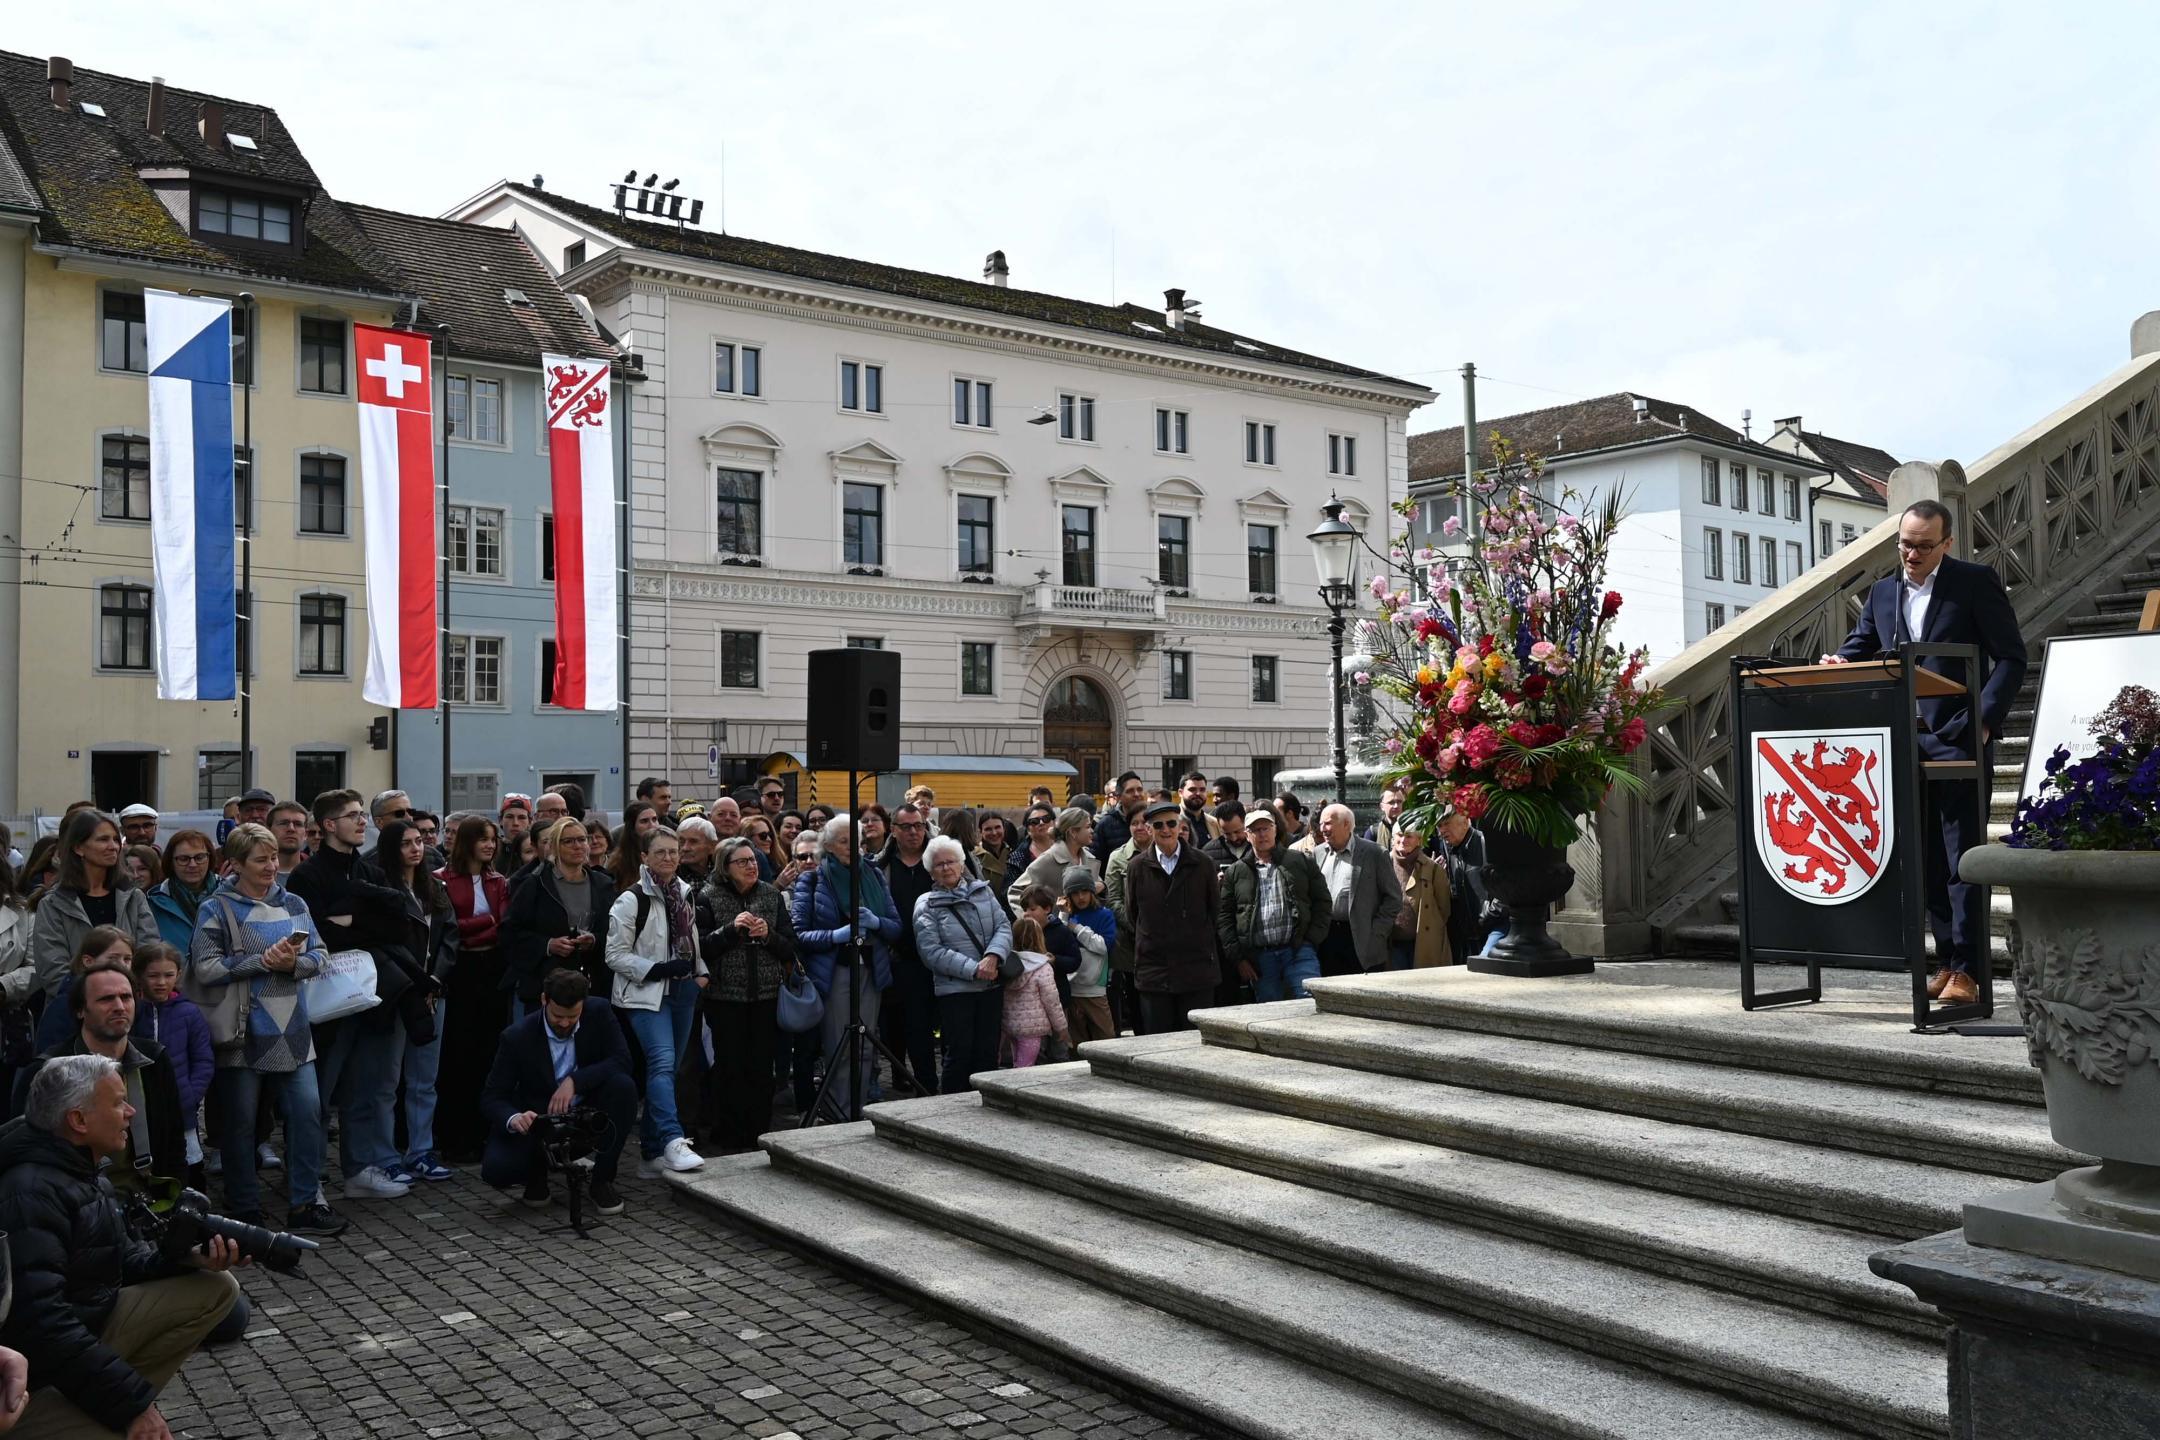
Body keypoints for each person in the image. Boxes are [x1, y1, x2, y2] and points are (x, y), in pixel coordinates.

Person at [1824, 497, 2027, 1006]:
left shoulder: (1974, 583)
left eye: (1922, 546)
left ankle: (1970, 970)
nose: (1911, 555)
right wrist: (1836, 663)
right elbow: (1861, 648)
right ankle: (1946, 961)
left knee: (1962, 858)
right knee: (1925, 859)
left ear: (1947, 543)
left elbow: (2011, 656)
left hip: (1959, 736)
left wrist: (1984, 718)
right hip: (1902, 740)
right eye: (1904, 545)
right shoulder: (1883, 593)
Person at [0, 1054, 245, 1439]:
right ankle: (71, 1419)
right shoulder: (30, 1191)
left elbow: (124, 1260)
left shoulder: (85, 1170)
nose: (130, 1112)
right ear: (78, 1121)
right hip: (34, 1374)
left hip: (83, 1332)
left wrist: (187, 1257)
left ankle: (110, 1408)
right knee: (123, 1418)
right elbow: (43, 1325)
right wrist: (132, 1406)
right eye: (117, 1103)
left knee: (215, 1287)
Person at [189, 823, 341, 1235]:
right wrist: (262, 963)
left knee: (308, 1114)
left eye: (274, 857)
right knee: (242, 1124)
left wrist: (293, 964)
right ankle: (244, 1207)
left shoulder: (293, 902)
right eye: (260, 859)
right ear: (235, 864)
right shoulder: (215, 907)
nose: (271, 866)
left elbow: (321, 955)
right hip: (241, 1032)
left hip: (292, 1029)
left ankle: (306, 1203)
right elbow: (204, 968)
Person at [288, 791, 420, 1203]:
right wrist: (362, 920)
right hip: (326, 997)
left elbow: (399, 926)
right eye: (351, 816)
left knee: (367, 1084)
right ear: (328, 825)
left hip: (372, 991)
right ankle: (308, 1183)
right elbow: (317, 935)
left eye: (362, 815)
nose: (361, 822)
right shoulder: (307, 876)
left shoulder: (370, 869)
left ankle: (359, 1169)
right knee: (318, 1096)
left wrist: (353, 916)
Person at [480, 967, 633, 1215]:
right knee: (497, 1170)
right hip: (540, 1122)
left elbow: (623, 1060)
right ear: (544, 1000)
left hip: (585, 1115)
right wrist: (515, 1118)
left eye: (573, 1016)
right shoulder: (516, 1037)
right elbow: (492, 1096)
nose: (564, 1023)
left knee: (623, 1087)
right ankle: (536, 1174)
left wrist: (575, 1081)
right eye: (557, 1015)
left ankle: (602, 1180)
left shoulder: (600, 1011)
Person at [604, 827, 707, 1176]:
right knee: (662, 1063)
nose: (668, 858)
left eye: (673, 852)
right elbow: (614, 955)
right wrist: (657, 969)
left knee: (669, 1070)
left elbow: (692, 941)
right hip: (646, 995)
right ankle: (671, 1139)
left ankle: (651, 1153)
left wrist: (699, 973)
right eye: (660, 852)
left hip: (683, 991)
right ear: (645, 857)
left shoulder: (684, 892)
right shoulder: (631, 899)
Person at [791, 815, 900, 1120]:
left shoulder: (874, 876)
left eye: (857, 841)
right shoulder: (812, 879)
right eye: (844, 841)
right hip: (836, 971)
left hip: (871, 970)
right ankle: (837, 1111)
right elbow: (799, 933)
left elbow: (896, 927)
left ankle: (857, 1106)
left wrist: (877, 923)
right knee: (840, 1045)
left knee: (865, 1045)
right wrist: (836, 937)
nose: (853, 847)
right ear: (828, 845)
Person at [697, 836, 796, 1155]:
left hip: (766, 995)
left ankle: (758, 1130)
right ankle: (728, 1132)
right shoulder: (708, 896)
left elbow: (790, 946)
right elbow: (700, 948)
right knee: (729, 1067)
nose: (751, 866)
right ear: (725, 868)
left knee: (760, 1067)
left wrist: (769, 935)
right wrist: (730, 931)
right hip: (725, 996)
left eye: (753, 860)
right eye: (742, 862)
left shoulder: (770, 894)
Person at [373, 820, 455, 1184]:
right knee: (387, 1080)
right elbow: (383, 944)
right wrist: (414, 982)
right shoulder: (380, 888)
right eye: (406, 842)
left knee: (425, 1078)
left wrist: (436, 978)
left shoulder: (434, 887)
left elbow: (450, 936)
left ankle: (420, 1150)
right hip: (398, 993)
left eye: (419, 841)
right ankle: (385, 1155)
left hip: (432, 993)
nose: (416, 848)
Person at [435, 816, 510, 1163]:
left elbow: (505, 926)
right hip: (459, 971)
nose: (489, 845)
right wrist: (486, 923)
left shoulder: (498, 881)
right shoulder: (442, 880)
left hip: (491, 969)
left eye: (493, 839)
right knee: (457, 1055)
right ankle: (454, 1136)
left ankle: (482, 1133)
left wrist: (483, 928)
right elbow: (451, 929)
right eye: (482, 839)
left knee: (486, 1053)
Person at [912, 836, 1011, 1094]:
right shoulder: (926, 904)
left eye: (951, 861)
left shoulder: (983, 891)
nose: (946, 867)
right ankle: (952, 1110)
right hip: (956, 991)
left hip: (990, 986)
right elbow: (931, 952)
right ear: (930, 870)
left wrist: (993, 957)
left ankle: (989, 1105)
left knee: (988, 1052)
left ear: (962, 863)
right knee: (959, 1053)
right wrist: (974, 968)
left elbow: (1003, 926)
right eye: (939, 864)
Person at [31, 809, 159, 1006]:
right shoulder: (53, 904)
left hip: (128, 1007)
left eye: (116, 839)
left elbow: (147, 955)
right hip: (74, 1012)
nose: (113, 846)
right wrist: (97, 1000)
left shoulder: (134, 898)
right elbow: (53, 971)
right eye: (103, 840)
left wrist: (124, 996)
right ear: (79, 848)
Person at [1126, 798, 1221, 1033]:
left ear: (1180, 826)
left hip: (1196, 969)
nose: (1165, 830)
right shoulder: (1137, 867)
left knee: (1195, 1041)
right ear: (1149, 829)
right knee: (1158, 1042)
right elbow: (1133, 914)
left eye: (1171, 824)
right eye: (1158, 825)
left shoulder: (1203, 863)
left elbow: (1214, 911)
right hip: (1154, 971)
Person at [502, 818, 617, 1010]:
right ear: (554, 846)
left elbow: (615, 931)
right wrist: (548, 945)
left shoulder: (603, 883)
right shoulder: (535, 884)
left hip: (593, 982)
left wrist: (594, 940)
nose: (577, 846)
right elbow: (510, 932)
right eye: (568, 841)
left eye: (582, 839)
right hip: (546, 984)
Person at [130, 945, 213, 1186]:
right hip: (139, 1108)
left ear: (178, 974)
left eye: (168, 975)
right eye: (153, 975)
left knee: (188, 1168)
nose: (161, 982)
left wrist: (191, 1094)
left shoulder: (188, 1013)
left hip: (181, 1108)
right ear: (139, 975)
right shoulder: (132, 1011)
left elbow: (203, 1060)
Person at [1218, 809, 1321, 1002]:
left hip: (1298, 949)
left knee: (1309, 1000)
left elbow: (1322, 902)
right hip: (1260, 958)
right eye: (1256, 830)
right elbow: (1224, 917)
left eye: (1266, 828)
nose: (1262, 834)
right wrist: (1239, 959)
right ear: (1247, 835)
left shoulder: (1299, 861)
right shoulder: (1236, 872)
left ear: (1275, 830)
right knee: (1269, 1010)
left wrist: (1311, 939)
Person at [877, 805, 939, 1093]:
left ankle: (930, 1081)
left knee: (932, 1026)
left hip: (939, 960)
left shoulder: (939, 860)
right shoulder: (882, 866)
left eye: (918, 825)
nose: (914, 831)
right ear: (894, 830)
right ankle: (912, 1078)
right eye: (906, 826)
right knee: (902, 1025)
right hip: (899, 959)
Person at [1310, 803, 1403, 976]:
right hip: (1327, 940)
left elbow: (1394, 898)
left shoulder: (1373, 853)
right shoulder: (1318, 853)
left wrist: (1377, 932)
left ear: (1346, 824)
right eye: (1321, 824)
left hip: (1363, 940)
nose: (1323, 829)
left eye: (1328, 823)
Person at [1435, 809, 1504, 961]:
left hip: (1496, 927)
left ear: (1466, 821)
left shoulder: (1486, 843)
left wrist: (1487, 917)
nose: (1442, 831)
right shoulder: (1452, 852)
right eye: (1439, 826)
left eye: (1446, 823)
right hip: (1469, 934)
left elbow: (1505, 889)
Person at [1001, 916, 1069, 1068]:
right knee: (1025, 1066)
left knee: (1016, 1062)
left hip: (1009, 1024)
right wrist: (1061, 1028)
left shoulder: (1006, 965)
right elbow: (1052, 1002)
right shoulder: (1042, 967)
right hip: (1032, 1028)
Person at [1059, 868, 1117, 1042]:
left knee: (1105, 1038)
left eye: (1084, 891)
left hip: (1095, 989)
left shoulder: (1104, 915)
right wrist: (1063, 914)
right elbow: (1059, 942)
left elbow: (1103, 946)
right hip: (1072, 989)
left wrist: (1076, 929)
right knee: (1076, 1042)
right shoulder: (1067, 917)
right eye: (1075, 893)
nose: (1081, 897)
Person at [1007, 806, 1097, 914]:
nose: (1092, 831)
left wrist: (1102, 888)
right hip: (1059, 929)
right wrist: (1033, 921)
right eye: (1087, 827)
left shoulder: (1089, 858)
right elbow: (1015, 891)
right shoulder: (1049, 859)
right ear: (1073, 832)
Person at [1389, 826, 1454, 970]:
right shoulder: (1383, 864)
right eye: (1399, 835)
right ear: (1393, 839)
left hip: (1425, 944)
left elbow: (1444, 909)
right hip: (1392, 944)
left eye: (1409, 836)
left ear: (1419, 840)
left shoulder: (1433, 869)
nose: (1403, 840)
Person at [1091, 772, 1146, 870]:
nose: (1137, 794)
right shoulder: (1105, 825)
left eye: (1139, 790)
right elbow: (1095, 862)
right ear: (1119, 797)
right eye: (1130, 791)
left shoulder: (1154, 820)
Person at [1201, 802, 1251, 868]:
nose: (1234, 838)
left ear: (1246, 824)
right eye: (1227, 834)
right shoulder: (1208, 852)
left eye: (1237, 832)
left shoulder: (1260, 846)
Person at [267, 802, 310, 874]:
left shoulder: (320, 873)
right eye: (283, 823)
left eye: (298, 824)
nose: (291, 829)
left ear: (306, 834)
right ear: (268, 830)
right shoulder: (250, 874)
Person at [676, 816, 719, 890]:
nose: (685, 848)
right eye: (682, 841)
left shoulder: (724, 874)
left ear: (712, 846)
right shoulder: (670, 876)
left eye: (693, 842)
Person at [1013, 805, 1058, 873]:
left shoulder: (1067, 846)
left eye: (1046, 818)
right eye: (1034, 821)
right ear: (1028, 829)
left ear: (1054, 822)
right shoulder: (1018, 858)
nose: (1041, 823)